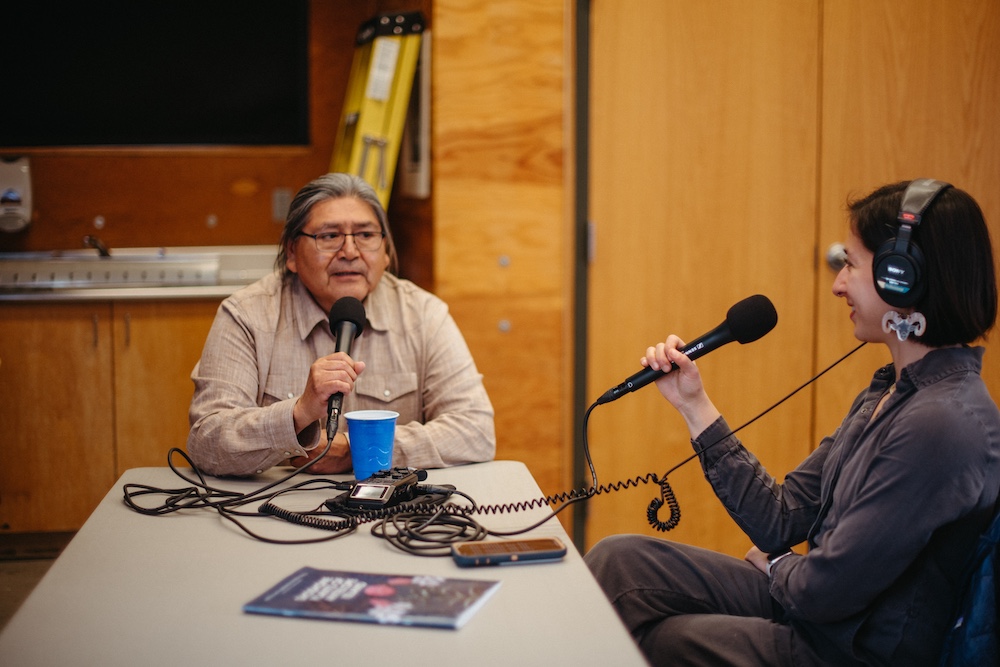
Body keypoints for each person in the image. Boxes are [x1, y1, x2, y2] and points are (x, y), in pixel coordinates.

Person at [585, 180, 1000, 666]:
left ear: (900, 278)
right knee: (621, 563)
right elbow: (782, 517)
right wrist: (693, 404)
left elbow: (825, 590)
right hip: (821, 618)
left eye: (851, 263)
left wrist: (777, 565)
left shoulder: (941, 425)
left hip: (849, 649)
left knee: (667, 641)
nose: (838, 283)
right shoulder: (890, 391)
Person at [187, 173, 496, 477]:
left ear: (386, 252)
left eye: (365, 235)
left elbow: (475, 430)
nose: (350, 252)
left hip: (393, 515)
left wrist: (357, 449)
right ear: (291, 252)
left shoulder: (424, 315)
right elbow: (207, 441)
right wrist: (299, 413)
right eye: (329, 236)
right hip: (273, 510)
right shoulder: (246, 316)